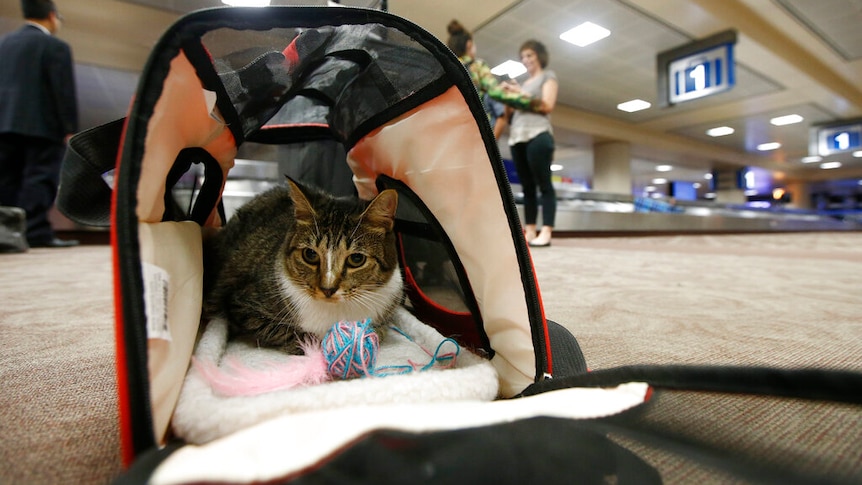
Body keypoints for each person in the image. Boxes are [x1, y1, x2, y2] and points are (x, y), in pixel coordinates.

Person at [0, 0, 79, 248]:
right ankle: (34, 233)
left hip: (4, 124)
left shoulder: (4, 44)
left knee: (6, 179)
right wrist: (69, 127)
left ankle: (7, 233)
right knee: (40, 177)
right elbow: (61, 91)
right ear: (52, 16)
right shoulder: (55, 46)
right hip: (42, 126)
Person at [446, 20, 544, 137]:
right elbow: (495, 92)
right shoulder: (476, 66)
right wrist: (532, 102)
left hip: (451, 129)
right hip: (473, 128)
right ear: (469, 44)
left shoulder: (446, 70)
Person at [507, 39, 558, 247]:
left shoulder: (548, 76)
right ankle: (529, 231)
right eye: (523, 57)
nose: (526, 60)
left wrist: (520, 94)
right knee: (527, 187)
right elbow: (510, 115)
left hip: (538, 134)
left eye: (529, 55)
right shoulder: (522, 84)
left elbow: (547, 105)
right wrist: (509, 96)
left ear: (539, 55)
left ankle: (546, 231)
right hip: (517, 135)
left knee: (544, 184)